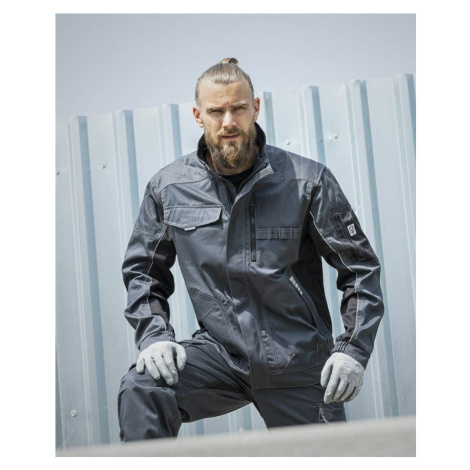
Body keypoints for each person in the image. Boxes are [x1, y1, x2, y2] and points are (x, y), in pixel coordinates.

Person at [118, 58, 384, 442]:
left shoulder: (306, 181)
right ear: (198, 115)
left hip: (297, 362)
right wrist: (154, 335)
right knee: (143, 388)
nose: (229, 121)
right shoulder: (169, 188)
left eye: (238, 108)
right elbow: (143, 272)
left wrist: (352, 350)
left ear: (255, 108)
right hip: (220, 356)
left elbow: (359, 269)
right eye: (216, 111)